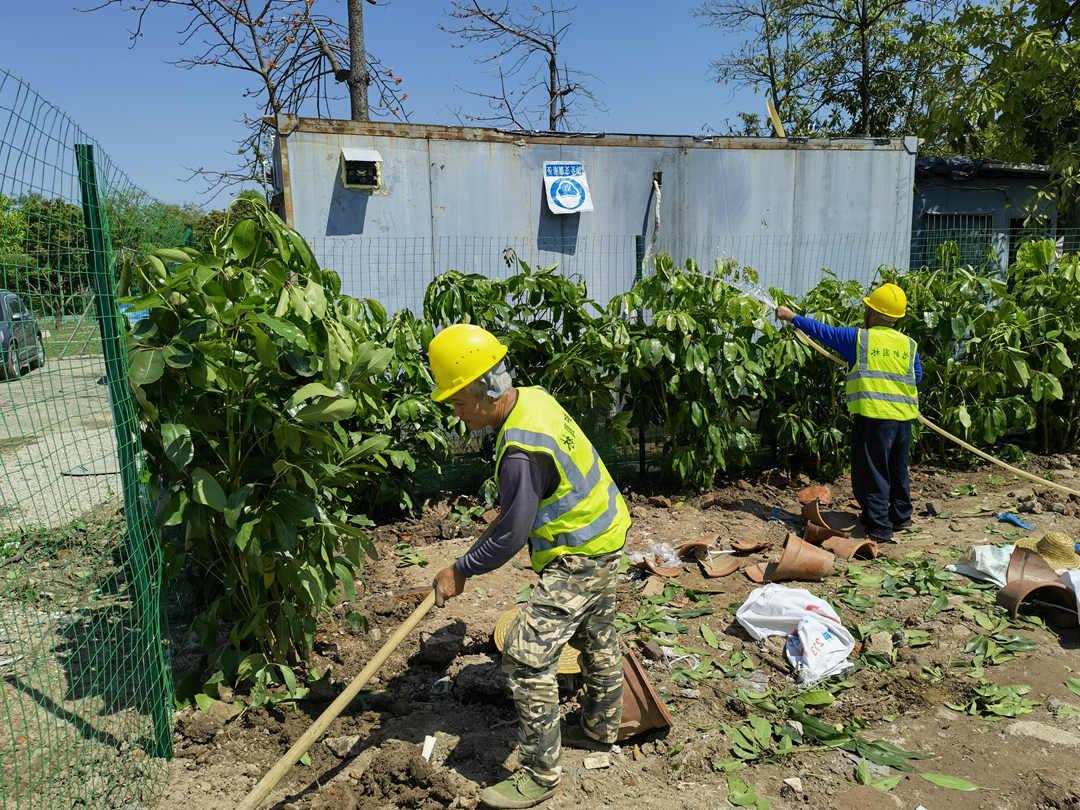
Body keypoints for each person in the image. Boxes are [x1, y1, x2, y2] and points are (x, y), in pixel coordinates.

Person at [426, 323, 630, 809]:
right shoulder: (531, 398)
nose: (455, 410)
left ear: (488, 387)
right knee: (597, 636)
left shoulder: (519, 449)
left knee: (524, 655)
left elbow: (511, 533)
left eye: (457, 399)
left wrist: (460, 569)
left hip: (580, 553)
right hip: (608, 531)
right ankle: (602, 728)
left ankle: (540, 774)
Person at [776, 282, 922, 543]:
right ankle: (901, 517)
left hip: (874, 417)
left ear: (874, 313)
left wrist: (791, 317)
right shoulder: (909, 344)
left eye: (868, 308)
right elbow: (917, 376)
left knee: (872, 472)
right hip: (903, 420)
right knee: (897, 469)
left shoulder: (859, 339)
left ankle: (879, 528)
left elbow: (824, 332)